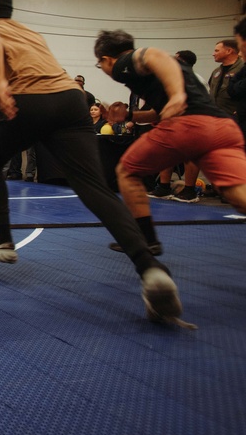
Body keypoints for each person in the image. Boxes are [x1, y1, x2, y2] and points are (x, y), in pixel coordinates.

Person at [0, 0, 187, 328]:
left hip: (27, 102)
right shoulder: (30, 33)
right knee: (94, 187)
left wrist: (2, 86)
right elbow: (37, 74)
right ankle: (150, 268)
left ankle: (5, 240)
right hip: (69, 101)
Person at [94, 29, 246, 281]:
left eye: (100, 65)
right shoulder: (153, 76)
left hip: (189, 125)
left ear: (107, 59)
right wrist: (129, 116)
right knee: (237, 194)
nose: (104, 69)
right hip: (221, 128)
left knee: (127, 171)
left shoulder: (125, 63)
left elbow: (156, 55)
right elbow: (158, 112)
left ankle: (146, 241)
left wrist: (176, 95)